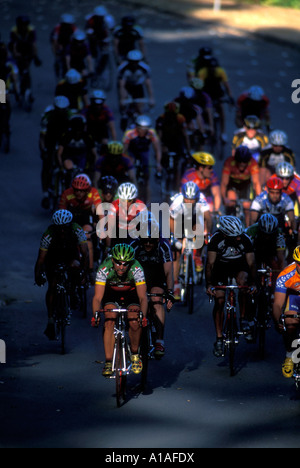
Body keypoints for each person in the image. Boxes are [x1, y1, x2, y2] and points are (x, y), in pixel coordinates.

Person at [92, 243, 148, 377]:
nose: (121, 267)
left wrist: (143, 316)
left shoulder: (136, 268)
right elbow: (98, 298)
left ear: (130, 263)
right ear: (112, 260)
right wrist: (95, 315)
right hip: (111, 294)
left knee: (134, 320)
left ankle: (135, 354)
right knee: (109, 320)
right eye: (118, 263)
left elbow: (142, 297)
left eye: (125, 264)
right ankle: (108, 361)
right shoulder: (104, 269)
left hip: (131, 294)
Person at [205, 216, 257, 357]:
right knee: (220, 300)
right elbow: (210, 264)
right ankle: (219, 338)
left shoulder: (245, 239)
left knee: (243, 283)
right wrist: (209, 284)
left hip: (239, 266)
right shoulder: (216, 239)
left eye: (239, 236)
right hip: (220, 268)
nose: (238, 239)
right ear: (225, 234)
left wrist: (252, 283)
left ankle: (243, 319)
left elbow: (251, 263)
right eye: (235, 237)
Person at [34, 210, 89, 340]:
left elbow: (85, 253)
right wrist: (37, 275)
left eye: (65, 228)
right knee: (52, 285)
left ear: (70, 225)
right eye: (60, 229)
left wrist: (85, 273)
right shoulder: (49, 234)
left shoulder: (76, 229)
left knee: (75, 267)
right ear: (55, 227)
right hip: (53, 256)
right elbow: (41, 258)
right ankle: (51, 319)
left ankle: (74, 291)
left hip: (70, 255)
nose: (62, 232)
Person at [131, 214, 175, 358]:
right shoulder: (134, 245)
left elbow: (168, 272)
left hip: (157, 276)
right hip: (139, 277)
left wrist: (169, 292)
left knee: (156, 300)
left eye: (151, 241)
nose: (148, 244)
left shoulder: (164, 246)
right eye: (145, 241)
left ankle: (159, 340)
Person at [170, 181, 212, 299]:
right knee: (176, 253)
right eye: (187, 199)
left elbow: (208, 218)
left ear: (197, 197)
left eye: (192, 199)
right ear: (183, 196)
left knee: (200, 230)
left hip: (195, 219)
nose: (189, 201)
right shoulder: (177, 202)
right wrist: (175, 237)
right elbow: (171, 221)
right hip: (179, 220)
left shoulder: (201, 200)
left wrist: (208, 233)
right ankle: (176, 284)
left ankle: (197, 254)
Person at [59, 174, 102, 279]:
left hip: (86, 218)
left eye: (82, 191)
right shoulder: (66, 194)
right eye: (76, 190)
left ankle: (90, 269)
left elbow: (100, 211)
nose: (78, 193)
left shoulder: (93, 193)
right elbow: (61, 212)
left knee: (86, 236)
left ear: (87, 190)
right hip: (72, 218)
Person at [39, 95, 72, 209]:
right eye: (59, 110)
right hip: (50, 140)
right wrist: (44, 150)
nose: (61, 113)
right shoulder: (47, 116)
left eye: (63, 110)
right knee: (47, 165)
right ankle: (45, 194)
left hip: (64, 141)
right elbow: (42, 137)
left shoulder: (71, 117)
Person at [273, 246, 300, 378]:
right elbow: (278, 303)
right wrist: (279, 321)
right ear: (296, 263)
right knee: (289, 320)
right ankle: (289, 354)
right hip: (294, 298)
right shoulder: (286, 275)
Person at [123, 115, 162, 203]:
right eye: (140, 128)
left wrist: (158, 163)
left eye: (145, 129)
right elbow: (124, 150)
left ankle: (147, 203)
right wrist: (126, 162)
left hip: (144, 152)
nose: (143, 131)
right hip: (132, 151)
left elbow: (157, 149)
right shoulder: (130, 133)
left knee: (147, 176)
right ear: (136, 127)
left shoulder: (152, 133)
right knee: (130, 166)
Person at [220, 145, 261, 226]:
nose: (242, 164)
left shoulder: (253, 163)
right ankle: (229, 223)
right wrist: (224, 198)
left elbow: (256, 183)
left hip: (245, 185)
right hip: (232, 184)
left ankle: (248, 228)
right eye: (240, 161)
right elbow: (224, 183)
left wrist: (258, 199)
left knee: (247, 206)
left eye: (244, 161)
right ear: (236, 160)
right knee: (231, 199)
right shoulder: (229, 162)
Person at [197, 57, 234, 142]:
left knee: (221, 110)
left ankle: (223, 132)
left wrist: (230, 97)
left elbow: (226, 85)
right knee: (205, 110)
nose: (212, 69)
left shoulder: (220, 71)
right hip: (206, 92)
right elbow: (199, 86)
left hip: (217, 92)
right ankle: (205, 126)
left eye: (214, 67)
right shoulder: (202, 72)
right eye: (210, 67)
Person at [246, 213, 286, 289]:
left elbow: (281, 257)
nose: (267, 236)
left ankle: (277, 286)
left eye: (269, 234)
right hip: (256, 249)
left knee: (276, 263)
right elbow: (248, 253)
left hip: (271, 249)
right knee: (251, 265)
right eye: (264, 234)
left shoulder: (279, 233)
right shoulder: (251, 230)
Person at [102, 182, 147, 248]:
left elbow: (145, 227)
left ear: (134, 200)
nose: (126, 204)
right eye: (123, 200)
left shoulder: (141, 206)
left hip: (135, 234)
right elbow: (109, 228)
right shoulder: (114, 205)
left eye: (129, 200)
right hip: (118, 234)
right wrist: (108, 247)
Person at [57, 114, 98, 184]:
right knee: (69, 169)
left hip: (82, 157)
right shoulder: (67, 136)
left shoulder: (87, 136)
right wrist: (61, 166)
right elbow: (59, 153)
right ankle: (68, 184)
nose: (77, 133)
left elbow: (94, 153)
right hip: (69, 156)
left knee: (84, 172)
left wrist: (94, 166)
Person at [50, 13, 77, 79]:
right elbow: (54, 41)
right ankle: (58, 75)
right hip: (60, 45)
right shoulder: (57, 28)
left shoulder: (73, 28)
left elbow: (77, 36)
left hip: (69, 45)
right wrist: (56, 53)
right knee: (58, 61)